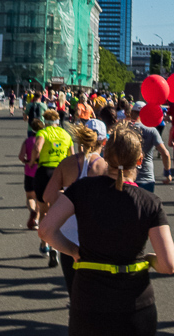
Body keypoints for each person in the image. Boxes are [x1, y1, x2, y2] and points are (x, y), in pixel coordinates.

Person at [39, 124, 174, 336]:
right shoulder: (150, 202)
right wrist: (148, 259)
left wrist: (74, 251)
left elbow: (46, 229)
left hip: (89, 301)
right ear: (139, 160)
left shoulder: (81, 189)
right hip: (136, 304)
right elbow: (169, 265)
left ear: (105, 154)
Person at [42, 120, 109, 292]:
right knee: (97, 292)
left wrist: (69, 201)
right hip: (97, 237)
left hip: (67, 238)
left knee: (74, 292)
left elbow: (48, 196)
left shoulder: (66, 163)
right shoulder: (106, 167)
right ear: (104, 141)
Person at [30, 109, 75, 267]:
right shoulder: (66, 134)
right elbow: (72, 155)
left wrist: (31, 162)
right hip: (61, 173)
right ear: (57, 120)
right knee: (59, 210)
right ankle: (57, 244)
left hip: (45, 172)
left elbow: (37, 148)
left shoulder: (43, 132)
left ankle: (45, 244)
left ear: (45, 119)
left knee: (43, 210)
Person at [127, 102, 172, 192]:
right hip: (146, 177)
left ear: (132, 113)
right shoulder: (151, 130)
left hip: (128, 177)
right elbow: (165, 154)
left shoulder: (124, 129)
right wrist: (167, 173)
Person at [19, 120, 43, 230]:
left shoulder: (27, 141)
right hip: (40, 171)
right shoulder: (44, 141)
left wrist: (26, 162)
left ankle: (32, 211)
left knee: (29, 197)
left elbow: (20, 156)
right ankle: (36, 221)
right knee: (39, 198)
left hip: (29, 171)